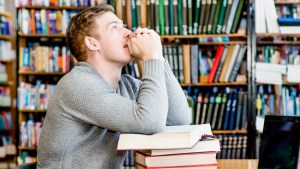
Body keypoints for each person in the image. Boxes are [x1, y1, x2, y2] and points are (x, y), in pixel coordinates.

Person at [37, 4, 191, 169]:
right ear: (92, 43)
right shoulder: (77, 84)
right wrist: (150, 59)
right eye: (115, 28)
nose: (129, 33)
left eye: (124, 26)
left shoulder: (126, 85)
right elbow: (149, 122)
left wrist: (158, 58)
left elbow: (179, 120)